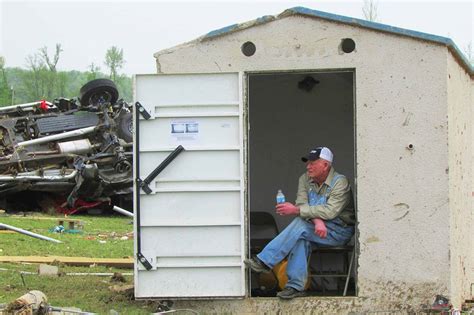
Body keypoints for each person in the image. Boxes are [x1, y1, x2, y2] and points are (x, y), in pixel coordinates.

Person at [245, 146, 355, 299]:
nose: (308, 166)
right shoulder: (304, 179)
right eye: (307, 162)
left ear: (325, 165)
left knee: (300, 224)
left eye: (312, 163)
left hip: (339, 231)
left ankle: (265, 261)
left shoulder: (340, 182)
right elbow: (302, 204)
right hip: (315, 229)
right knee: (300, 237)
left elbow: (330, 211)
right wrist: (317, 222)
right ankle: (296, 287)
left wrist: (298, 211)